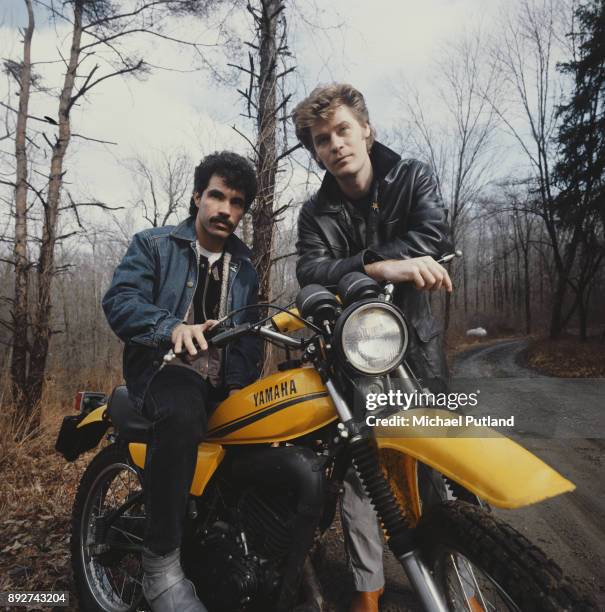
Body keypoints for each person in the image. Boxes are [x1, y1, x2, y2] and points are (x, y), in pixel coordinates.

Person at [292, 83, 454, 612]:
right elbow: (310, 271)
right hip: (355, 353)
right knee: (364, 475)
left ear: (366, 129)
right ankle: (368, 593)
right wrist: (378, 266)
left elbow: (435, 234)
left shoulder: (412, 175)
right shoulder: (315, 211)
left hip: (417, 346)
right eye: (322, 139)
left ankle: (452, 580)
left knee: (436, 464)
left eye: (342, 129)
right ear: (315, 150)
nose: (335, 143)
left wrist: (375, 262)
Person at [102, 151, 262, 612]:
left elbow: (250, 333)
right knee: (183, 408)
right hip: (164, 371)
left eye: (236, 203)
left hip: (223, 382)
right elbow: (121, 301)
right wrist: (171, 327)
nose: (225, 210)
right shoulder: (154, 245)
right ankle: (160, 567)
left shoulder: (246, 267)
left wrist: (243, 378)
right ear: (197, 196)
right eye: (217, 196)